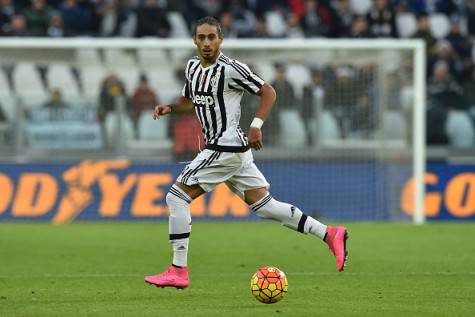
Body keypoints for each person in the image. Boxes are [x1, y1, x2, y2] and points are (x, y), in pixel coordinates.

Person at [144, 16, 348, 289]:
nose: (206, 43)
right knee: (266, 207)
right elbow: (188, 101)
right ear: (194, 40)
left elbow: (268, 92)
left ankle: (178, 270)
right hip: (231, 151)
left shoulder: (231, 69)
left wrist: (256, 125)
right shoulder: (192, 68)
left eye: (212, 37)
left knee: (176, 197)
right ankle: (330, 234)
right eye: (201, 37)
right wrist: (170, 108)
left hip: (225, 145)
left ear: (221, 40)